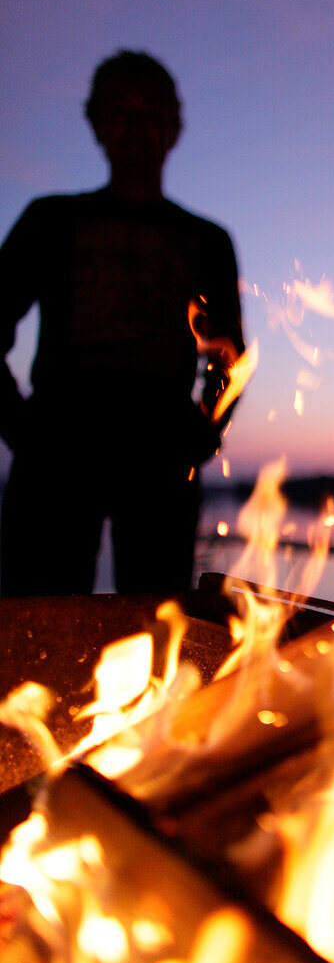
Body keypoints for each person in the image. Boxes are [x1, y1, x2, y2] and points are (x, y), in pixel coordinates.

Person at [0, 50, 245, 595]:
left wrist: (203, 431)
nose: (136, 125)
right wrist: (18, 426)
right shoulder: (49, 220)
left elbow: (229, 356)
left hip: (160, 461)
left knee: (158, 627)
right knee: (39, 623)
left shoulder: (206, 242)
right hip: (55, 456)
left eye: (151, 109)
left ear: (174, 127)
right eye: (119, 108)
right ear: (96, 123)